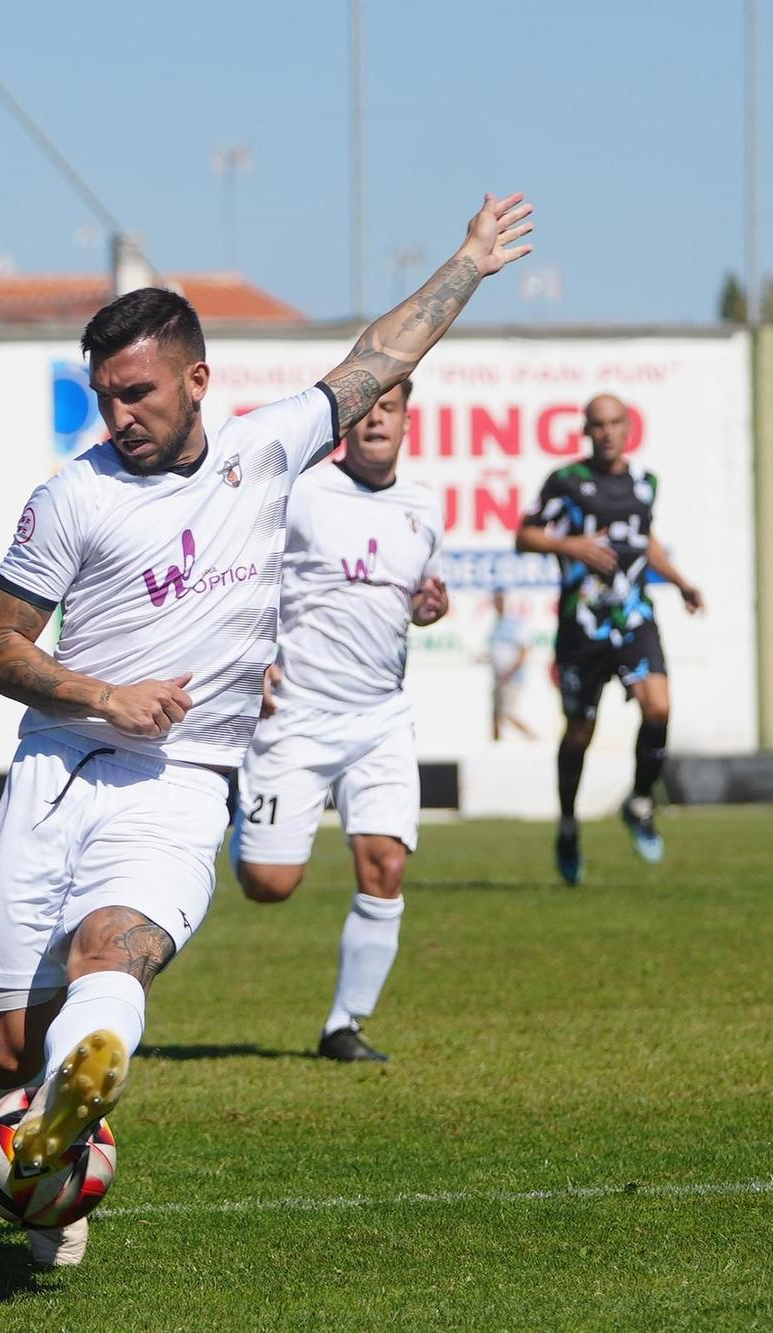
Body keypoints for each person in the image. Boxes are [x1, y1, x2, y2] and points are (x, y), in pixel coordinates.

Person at [0, 193, 531, 1267]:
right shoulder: (68, 501)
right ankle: (56, 1153)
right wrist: (100, 692)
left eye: (136, 393)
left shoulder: (267, 450)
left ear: (196, 381)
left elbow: (378, 354)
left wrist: (465, 263)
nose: (117, 416)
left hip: (182, 777)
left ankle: (86, 1077)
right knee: (2, 1041)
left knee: (110, 953)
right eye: (102, 398)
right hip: (55, 769)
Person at [229, 380, 449, 1064]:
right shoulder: (303, 492)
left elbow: (416, 600)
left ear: (408, 418)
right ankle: (222, 793)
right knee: (269, 884)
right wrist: (250, 658)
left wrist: (427, 608)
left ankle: (344, 1024)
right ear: (348, 421)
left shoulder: (424, 510)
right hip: (295, 713)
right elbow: (242, 570)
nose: (377, 417)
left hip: (379, 716)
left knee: (385, 863)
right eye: (367, 407)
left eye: (391, 406)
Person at [516, 393, 704, 885]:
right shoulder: (567, 482)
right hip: (583, 624)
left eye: (615, 423)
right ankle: (568, 823)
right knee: (580, 731)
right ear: (586, 431)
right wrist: (568, 544)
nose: (607, 432)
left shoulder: (645, 484)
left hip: (633, 616)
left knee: (659, 707)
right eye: (597, 424)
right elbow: (524, 535)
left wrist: (682, 582)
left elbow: (645, 541)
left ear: (627, 429)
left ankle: (640, 801)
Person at [487, 588, 534, 741]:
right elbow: (497, 651)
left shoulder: (514, 623)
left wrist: (512, 670)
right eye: (496, 600)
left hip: (512, 677)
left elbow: (524, 649)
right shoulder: (496, 624)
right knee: (495, 714)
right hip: (499, 677)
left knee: (508, 713)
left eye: (501, 600)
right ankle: (494, 748)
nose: (498, 604)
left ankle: (534, 739)